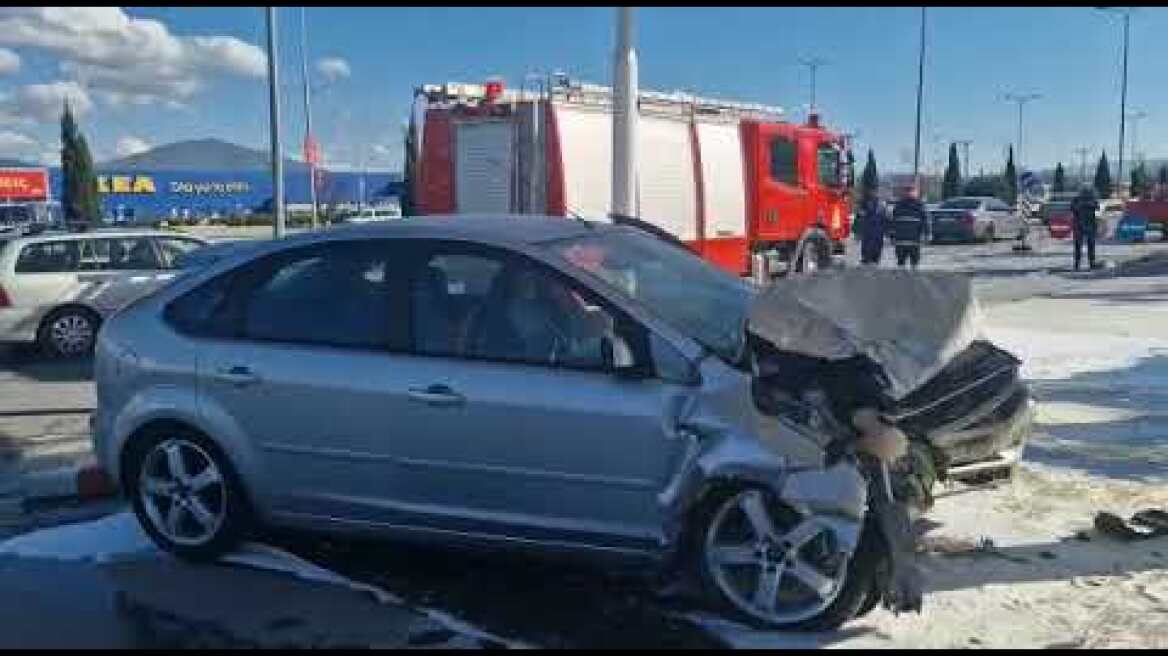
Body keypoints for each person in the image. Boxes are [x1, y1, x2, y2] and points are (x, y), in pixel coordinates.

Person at [890, 183, 929, 269]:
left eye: (912, 191)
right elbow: (893, 223)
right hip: (901, 241)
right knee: (900, 264)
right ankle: (901, 281)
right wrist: (892, 236)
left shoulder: (920, 206)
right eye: (908, 191)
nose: (909, 193)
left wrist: (926, 235)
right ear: (904, 193)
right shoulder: (898, 206)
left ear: (916, 193)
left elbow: (925, 222)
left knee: (914, 265)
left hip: (914, 241)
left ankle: (913, 281)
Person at [1071, 185, 1100, 271]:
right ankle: (1077, 264)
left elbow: (1097, 208)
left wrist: (1085, 205)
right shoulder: (1077, 200)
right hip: (1080, 224)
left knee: (1089, 245)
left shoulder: (1091, 200)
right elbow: (1072, 208)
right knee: (1079, 246)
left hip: (1088, 224)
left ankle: (1090, 263)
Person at [857, 193, 890, 266]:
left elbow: (859, 220)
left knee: (870, 246)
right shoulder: (881, 207)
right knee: (873, 247)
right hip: (874, 233)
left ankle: (869, 258)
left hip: (872, 232)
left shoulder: (866, 207)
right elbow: (886, 221)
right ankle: (871, 259)